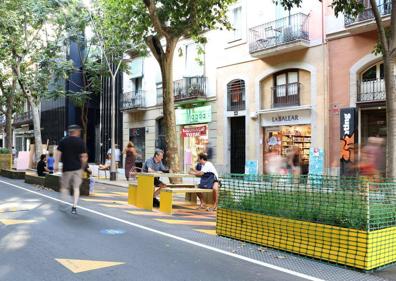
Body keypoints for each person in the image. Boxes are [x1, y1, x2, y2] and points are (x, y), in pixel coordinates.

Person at [54, 125, 87, 215]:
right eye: (79, 131)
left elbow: (58, 153)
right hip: (78, 168)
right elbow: (84, 157)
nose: (79, 133)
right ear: (76, 132)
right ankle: (74, 207)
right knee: (76, 188)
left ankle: (63, 202)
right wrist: (83, 168)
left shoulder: (63, 141)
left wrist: (56, 165)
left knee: (64, 187)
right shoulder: (80, 142)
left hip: (67, 168)